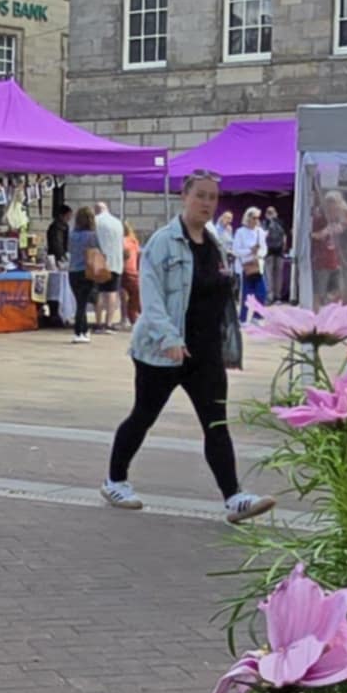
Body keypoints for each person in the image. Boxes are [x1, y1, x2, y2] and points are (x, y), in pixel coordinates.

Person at [102, 169, 276, 525]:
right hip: (163, 350)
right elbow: (151, 300)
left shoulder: (214, 239)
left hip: (206, 350)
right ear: (185, 196)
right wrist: (169, 339)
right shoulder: (163, 242)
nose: (207, 203)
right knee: (143, 416)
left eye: (213, 197)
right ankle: (115, 479)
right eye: (201, 196)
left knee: (216, 424)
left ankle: (235, 497)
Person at [232, 202, 269, 319]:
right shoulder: (240, 232)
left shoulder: (260, 232)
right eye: (254, 218)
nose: (256, 220)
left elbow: (264, 248)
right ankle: (243, 317)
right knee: (246, 294)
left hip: (258, 265)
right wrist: (249, 250)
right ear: (248, 218)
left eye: (257, 218)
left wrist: (260, 254)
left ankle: (257, 316)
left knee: (261, 292)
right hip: (246, 266)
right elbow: (236, 250)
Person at [66, 204, 97, 342]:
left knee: (80, 301)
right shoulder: (92, 236)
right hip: (86, 271)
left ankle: (84, 330)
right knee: (82, 303)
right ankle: (79, 331)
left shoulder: (72, 235)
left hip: (73, 271)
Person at [92, 201, 125, 331]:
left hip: (99, 262)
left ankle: (98, 322)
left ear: (96, 210)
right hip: (116, 262)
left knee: (99, 292)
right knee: (112, 292)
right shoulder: (117, 223)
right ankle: (109, 323)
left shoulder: (95, 221)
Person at [121, 222, 141, 327]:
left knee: (124, 295)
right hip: (134, 270)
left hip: (124, 270)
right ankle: (133, 317)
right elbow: (138, 256)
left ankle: (126, 318)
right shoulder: (134, 241)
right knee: (134, 296)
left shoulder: (122, 241)